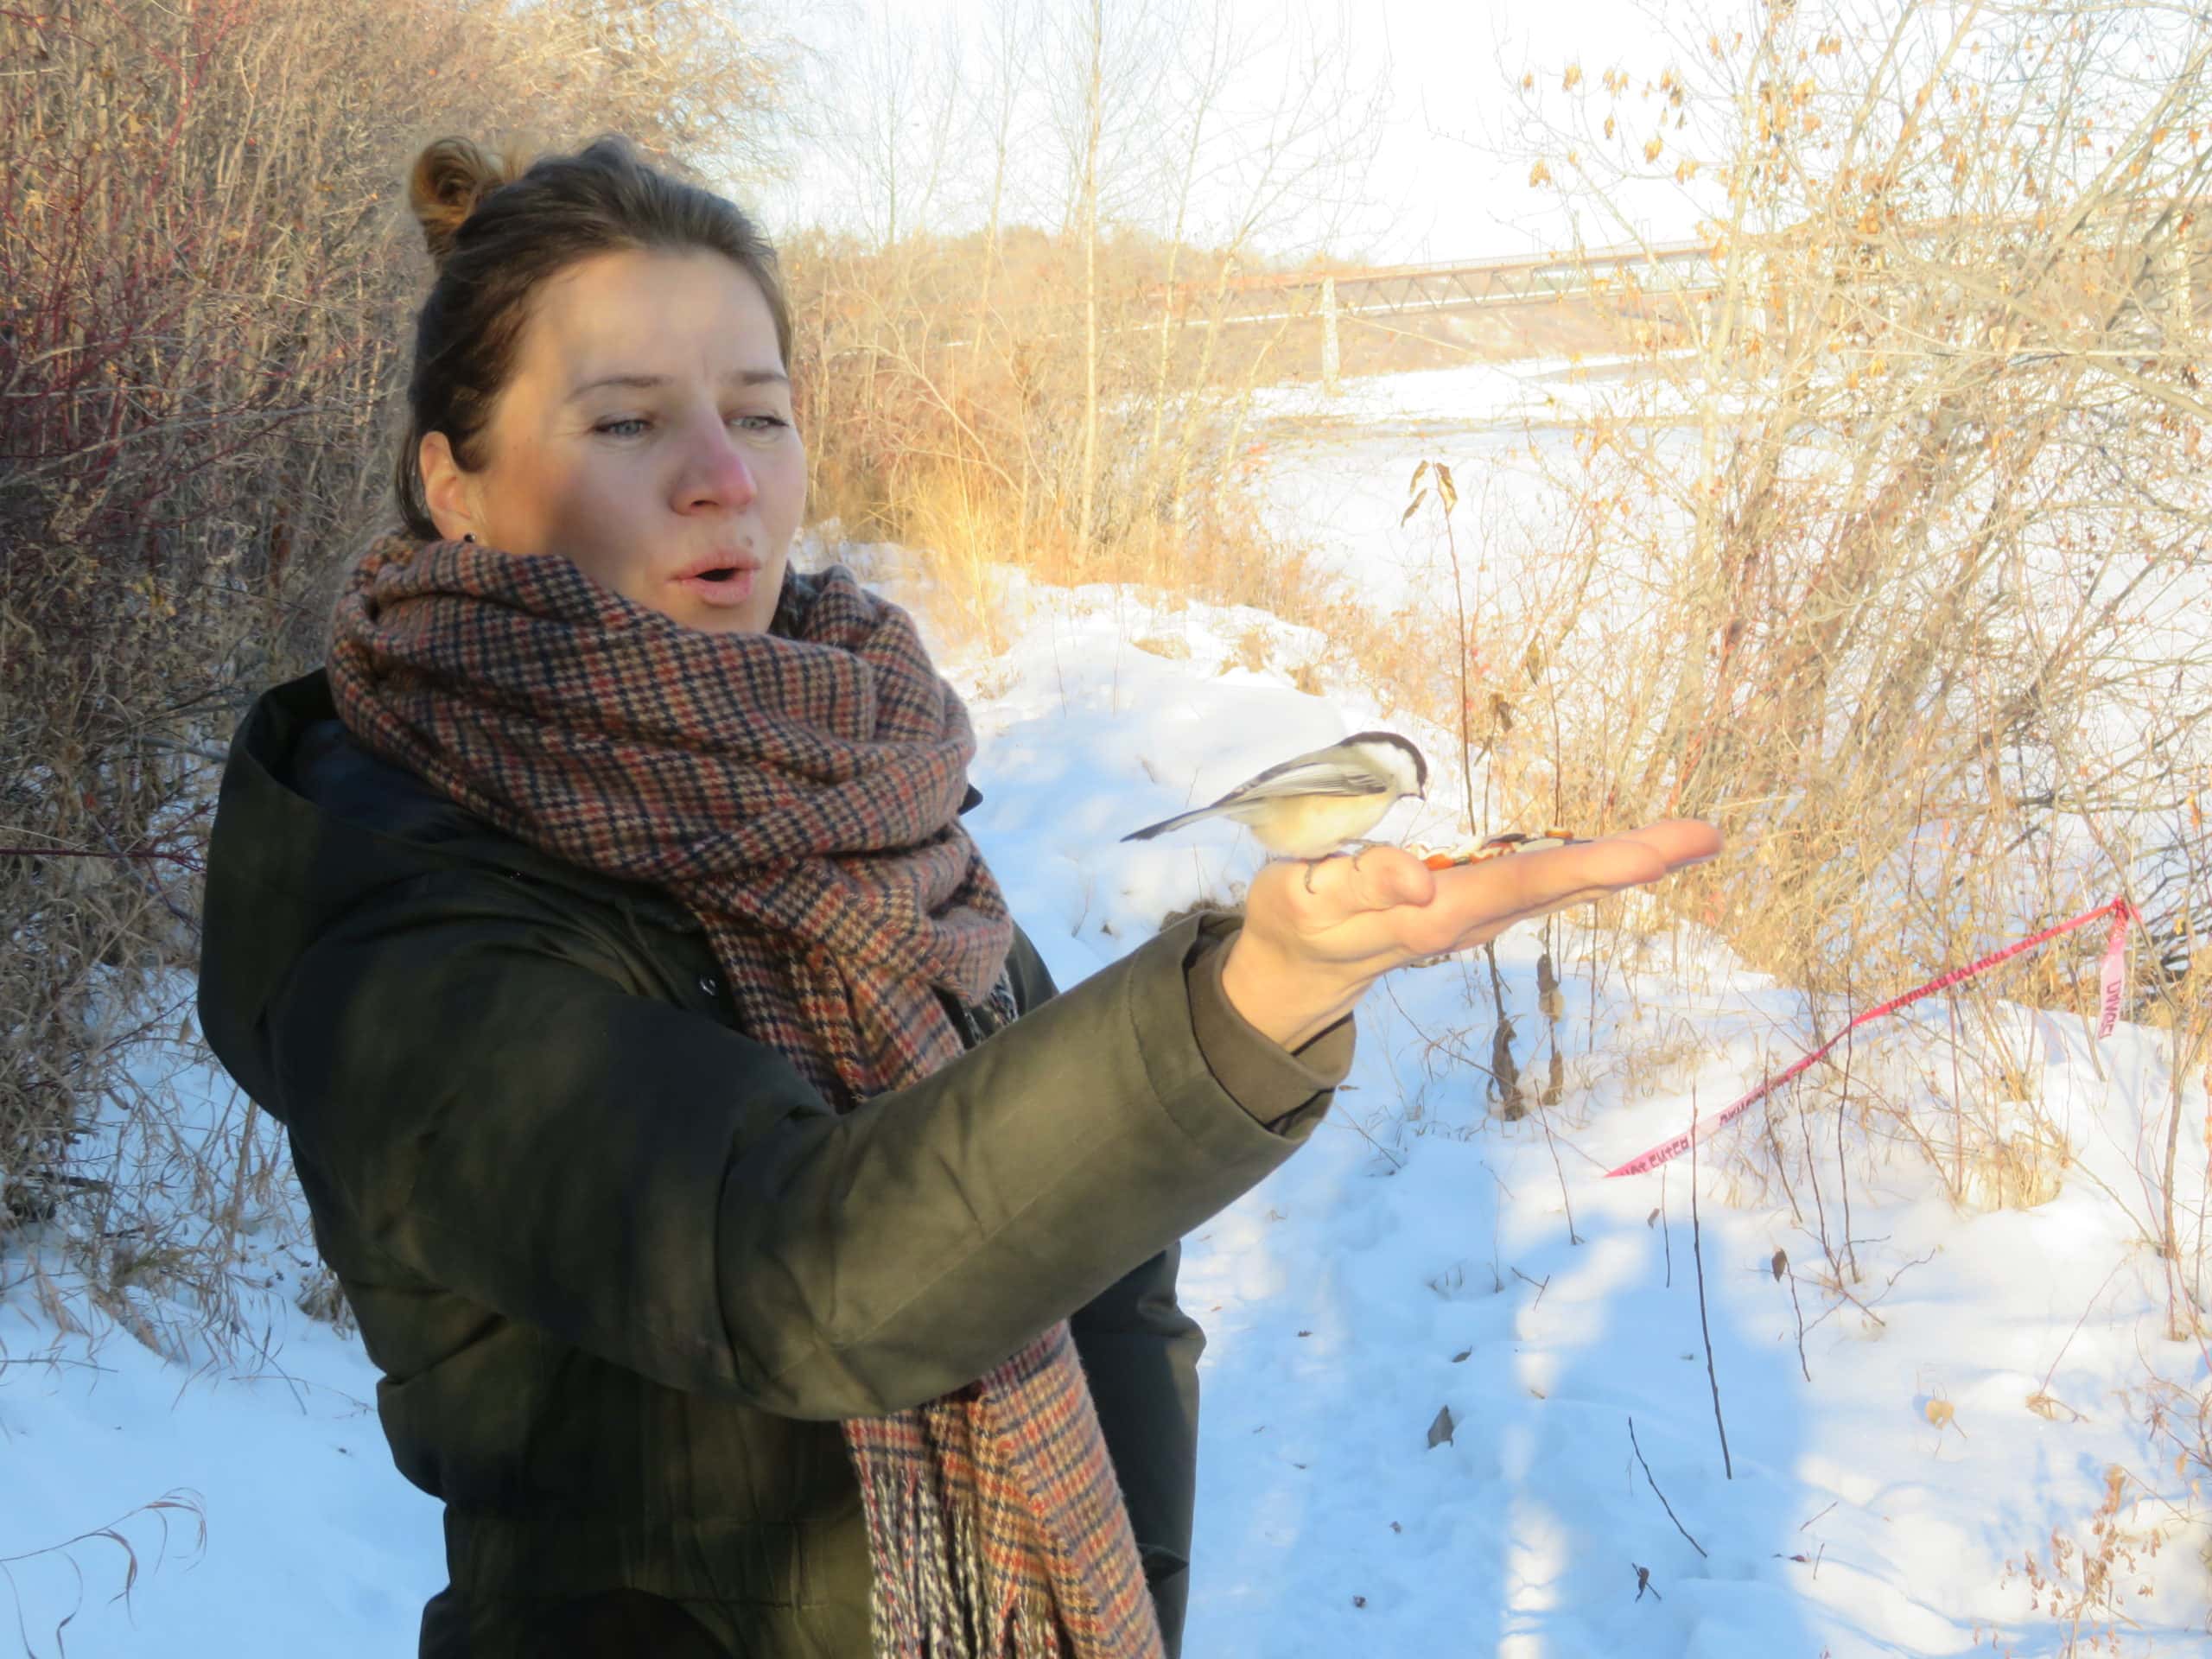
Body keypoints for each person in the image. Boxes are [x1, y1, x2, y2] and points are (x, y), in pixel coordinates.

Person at [194, 133, 1719, 1659]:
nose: (724, 478)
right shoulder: (390, 914)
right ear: (455, 488)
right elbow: (802, 1278)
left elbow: (1105, 1283)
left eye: (760, 413)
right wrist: (1251, 1001)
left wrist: (1128, 1610)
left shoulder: (857, 780)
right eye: (627, 421)